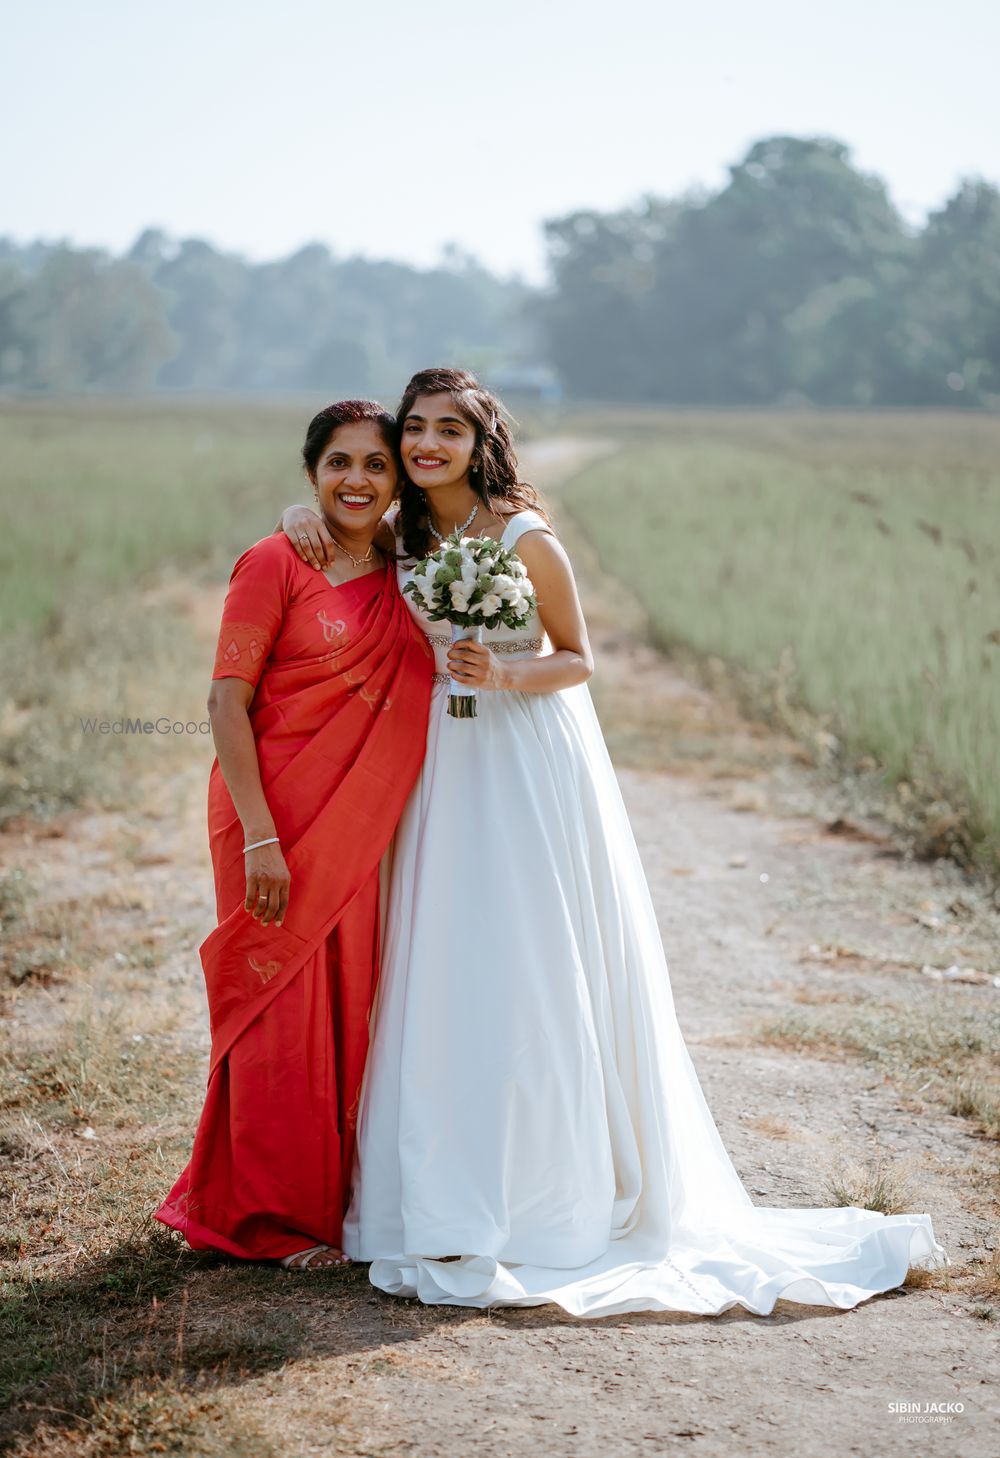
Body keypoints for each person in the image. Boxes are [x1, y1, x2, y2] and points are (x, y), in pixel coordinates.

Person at [277, 367, 948, 1315]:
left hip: (517, 752)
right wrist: (295, 515)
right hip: (437, 760)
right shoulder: (410, 534)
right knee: (443, 949)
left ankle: (550, 1194)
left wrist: (502, 676)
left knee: (525, 942)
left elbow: (578, 658)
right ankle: (430, 1180)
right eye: (415, 430)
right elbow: (338, 523)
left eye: (448, 433)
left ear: (481, 443)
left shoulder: (523, 535)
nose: (427, 447)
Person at [155, 400, 432, 1272]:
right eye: (338, 463)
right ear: (310, 472)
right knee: (279, 1008)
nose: (357, 480)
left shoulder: (409, 567)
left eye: (376, 466)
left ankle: (332, 1202)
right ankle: (263, 1218)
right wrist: (261, 841)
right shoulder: (278, 559)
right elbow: (224, 703)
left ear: (400, 480)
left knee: (351, 1003)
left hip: (360, 818)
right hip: (270, 817)